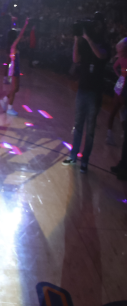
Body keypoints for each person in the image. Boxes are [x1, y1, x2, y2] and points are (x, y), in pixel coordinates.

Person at [62, 14, 108, 174]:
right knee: (78, 126)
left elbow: (101, 55)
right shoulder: (85, 44)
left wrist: (88, 39)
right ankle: (73, 156)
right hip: (82, 89)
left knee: (90, 131)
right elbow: (76, 59)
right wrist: (77, 40)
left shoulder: (103, 44)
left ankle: (85, 161)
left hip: (95, 92)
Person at [0, 16, 30, 117]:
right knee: (14, 88)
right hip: (14, 68)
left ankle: (4, 100)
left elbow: (15, 33)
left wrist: (13, 22)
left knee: (16, 88)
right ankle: (9, 108)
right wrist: (25, 24)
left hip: (15, 67)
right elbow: (20, 35)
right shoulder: (14, 45)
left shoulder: (12, 44)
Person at [109, 38, 127, 181]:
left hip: (123, 86)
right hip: (122, 85)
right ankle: (122, 165)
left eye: (119, 50)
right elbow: (115, 66)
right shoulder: (121, 59)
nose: (118, 53)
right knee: (116, 109)